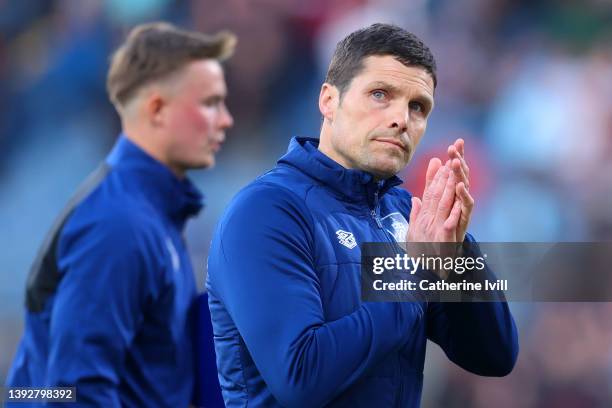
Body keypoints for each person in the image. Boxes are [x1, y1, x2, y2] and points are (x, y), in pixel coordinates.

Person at [207, 23, 518, 407]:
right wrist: (416, 278)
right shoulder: (266, 212)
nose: (401, 119)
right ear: (328, 101)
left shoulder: (403, 215)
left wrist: (455, 250)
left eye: (417, 106)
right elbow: (301, 377)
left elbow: (494, 355)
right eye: (380, 95)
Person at [6, 22, 235, 407]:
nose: (225, 119)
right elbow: (71, 392)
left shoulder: (150, 213)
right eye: (209, 103)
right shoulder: (121, 225)